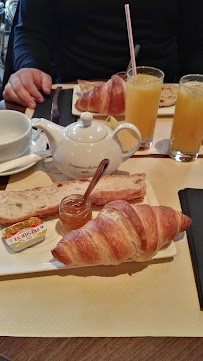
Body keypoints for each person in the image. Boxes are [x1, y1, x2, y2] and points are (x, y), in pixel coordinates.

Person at [2, 0, 203, 109]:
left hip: (160, 100)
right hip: (70, 97)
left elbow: (196, 41)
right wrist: (29, 66)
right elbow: (31, 31)